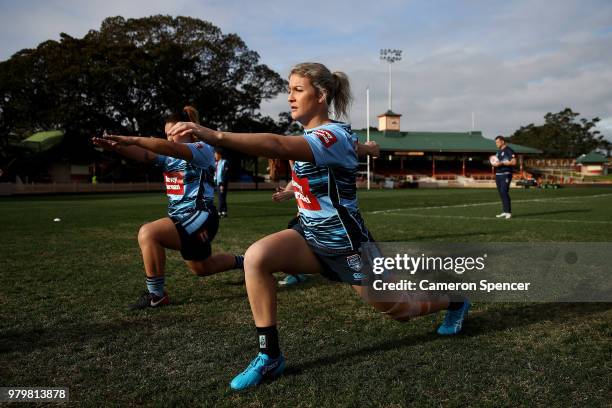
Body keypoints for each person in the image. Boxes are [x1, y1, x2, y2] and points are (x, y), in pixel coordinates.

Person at [167, 63, 470, 390]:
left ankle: (454, 299)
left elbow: (279, 146)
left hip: (348, 246)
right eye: (289, 90)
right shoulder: (315, 137)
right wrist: (294, 188)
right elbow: (323, 172)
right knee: (257, 258)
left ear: (321, 95)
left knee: (400, 309)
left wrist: (215, 136)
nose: (289, 98)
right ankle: (270, 356)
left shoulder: (332, 134)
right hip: (309, 236)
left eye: (297, 90)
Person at [92, 106, 244, 310]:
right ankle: (246, 261)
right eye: (166, 135)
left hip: (200, 216)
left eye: (173, 133)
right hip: (184, 219)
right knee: (202, 267)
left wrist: (133, 138)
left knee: (149, 233)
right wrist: (117, 147)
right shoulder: (170, 157)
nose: (169, 138)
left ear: (189, 129)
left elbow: (165, 148)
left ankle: (156, 295)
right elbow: (146, 155)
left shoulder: (202, 149)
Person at [492, 135, 516, 219]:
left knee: (504, 192)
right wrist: (494, 163)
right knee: (501, 193)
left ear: (502, 141)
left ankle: (508, 212)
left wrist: (502, 163)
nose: (496, 144)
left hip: (506, 174)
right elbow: (496, 162)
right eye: (496, 142)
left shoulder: (509, 150)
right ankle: (504, 211)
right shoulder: (498, 152)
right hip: (498, 175)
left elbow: (513, 162)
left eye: (497, 142)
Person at [214, 149, 230, 217]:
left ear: (219, 155)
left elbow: (225, 174)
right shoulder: (216, 163)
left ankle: (219, 212)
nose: (215, 156)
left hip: (222, 183)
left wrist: (222, 184)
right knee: (222, 197)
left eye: (215, 154)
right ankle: (224, 211)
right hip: (217, 183)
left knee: (221, 198)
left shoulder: (224, 162)